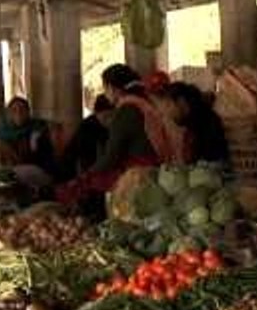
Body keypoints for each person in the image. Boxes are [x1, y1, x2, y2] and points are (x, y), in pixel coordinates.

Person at [55, 64, 178, 211]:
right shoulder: (144, 103)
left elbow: (111, 157)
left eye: (105, 89)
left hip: (141, 173)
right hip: (157, 169)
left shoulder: (127, 110)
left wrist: (86, 177)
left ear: (112, 88)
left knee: (86, 186)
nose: (106, 94)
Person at [0, 97, 57, 189]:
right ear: (8, 113)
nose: (19, 113)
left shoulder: (37, 130)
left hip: (38, 172)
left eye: (22, 109)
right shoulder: (3, 132)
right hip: (11, 174)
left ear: (28, 112)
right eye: (14, 110)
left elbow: (43, 160)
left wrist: (34, 142)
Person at [162, 81, 230, 165]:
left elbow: (210, 163)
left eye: (169, 105)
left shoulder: (205, 124)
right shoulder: (196, 121)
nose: (168, 111)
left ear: (181, 101)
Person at [57, 95, 113, 180]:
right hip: (74, 170)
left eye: (111, 116)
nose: (109, 120)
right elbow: (83, 157)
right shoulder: (87, 127)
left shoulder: (108, 126)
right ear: (96, 113)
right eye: (105, 116)